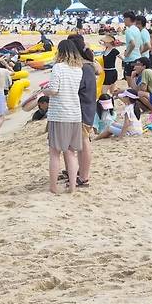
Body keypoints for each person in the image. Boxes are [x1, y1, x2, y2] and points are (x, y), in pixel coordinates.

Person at [40, 40, 84, 194]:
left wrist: (44, 91)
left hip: (59, 114)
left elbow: (54, 90)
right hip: (75, 114)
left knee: (54, 152)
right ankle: (72, 186)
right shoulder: (78, 69)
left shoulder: (58, 67)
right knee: (71, 152)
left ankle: (53, 187)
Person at [67, 34, 100, 187]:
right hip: (85, 108)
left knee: (84, 142)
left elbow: (76, 88)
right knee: (80, 143)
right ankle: (80, 171)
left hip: (83, 110)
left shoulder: (84, 68)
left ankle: (84, 176)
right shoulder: (87, 66)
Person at [122, 11, 142, 83]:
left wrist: (127, 53)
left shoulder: (128, 30)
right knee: (137, 81)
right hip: (138, 58)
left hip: (130, 60)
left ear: (128, 19)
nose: (123, 21)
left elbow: (132, 44)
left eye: (124, 19)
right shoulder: (137, 29)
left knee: (130, 82)